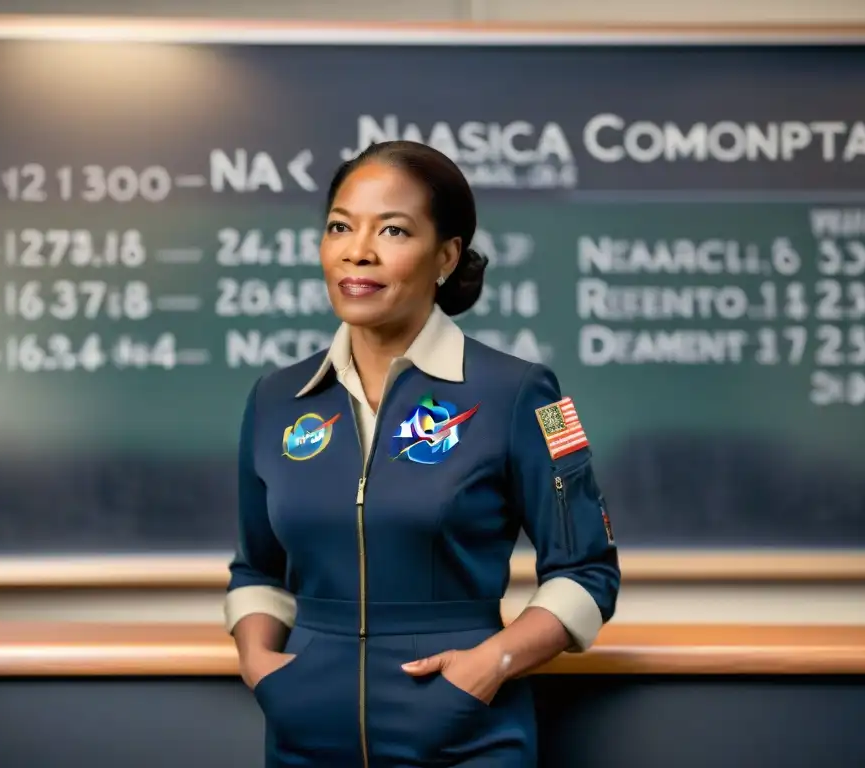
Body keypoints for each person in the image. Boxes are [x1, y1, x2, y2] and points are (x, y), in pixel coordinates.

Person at [224, 140, 621, 767]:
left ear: (445, 256)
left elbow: (586, 572)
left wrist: (491, 665)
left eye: (393, 229)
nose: (359, 250)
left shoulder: (520, 393)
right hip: (304, 740)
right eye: (339, 226)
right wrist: (260, 665)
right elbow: (256, 570)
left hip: (463, 737)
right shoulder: (277, 400)